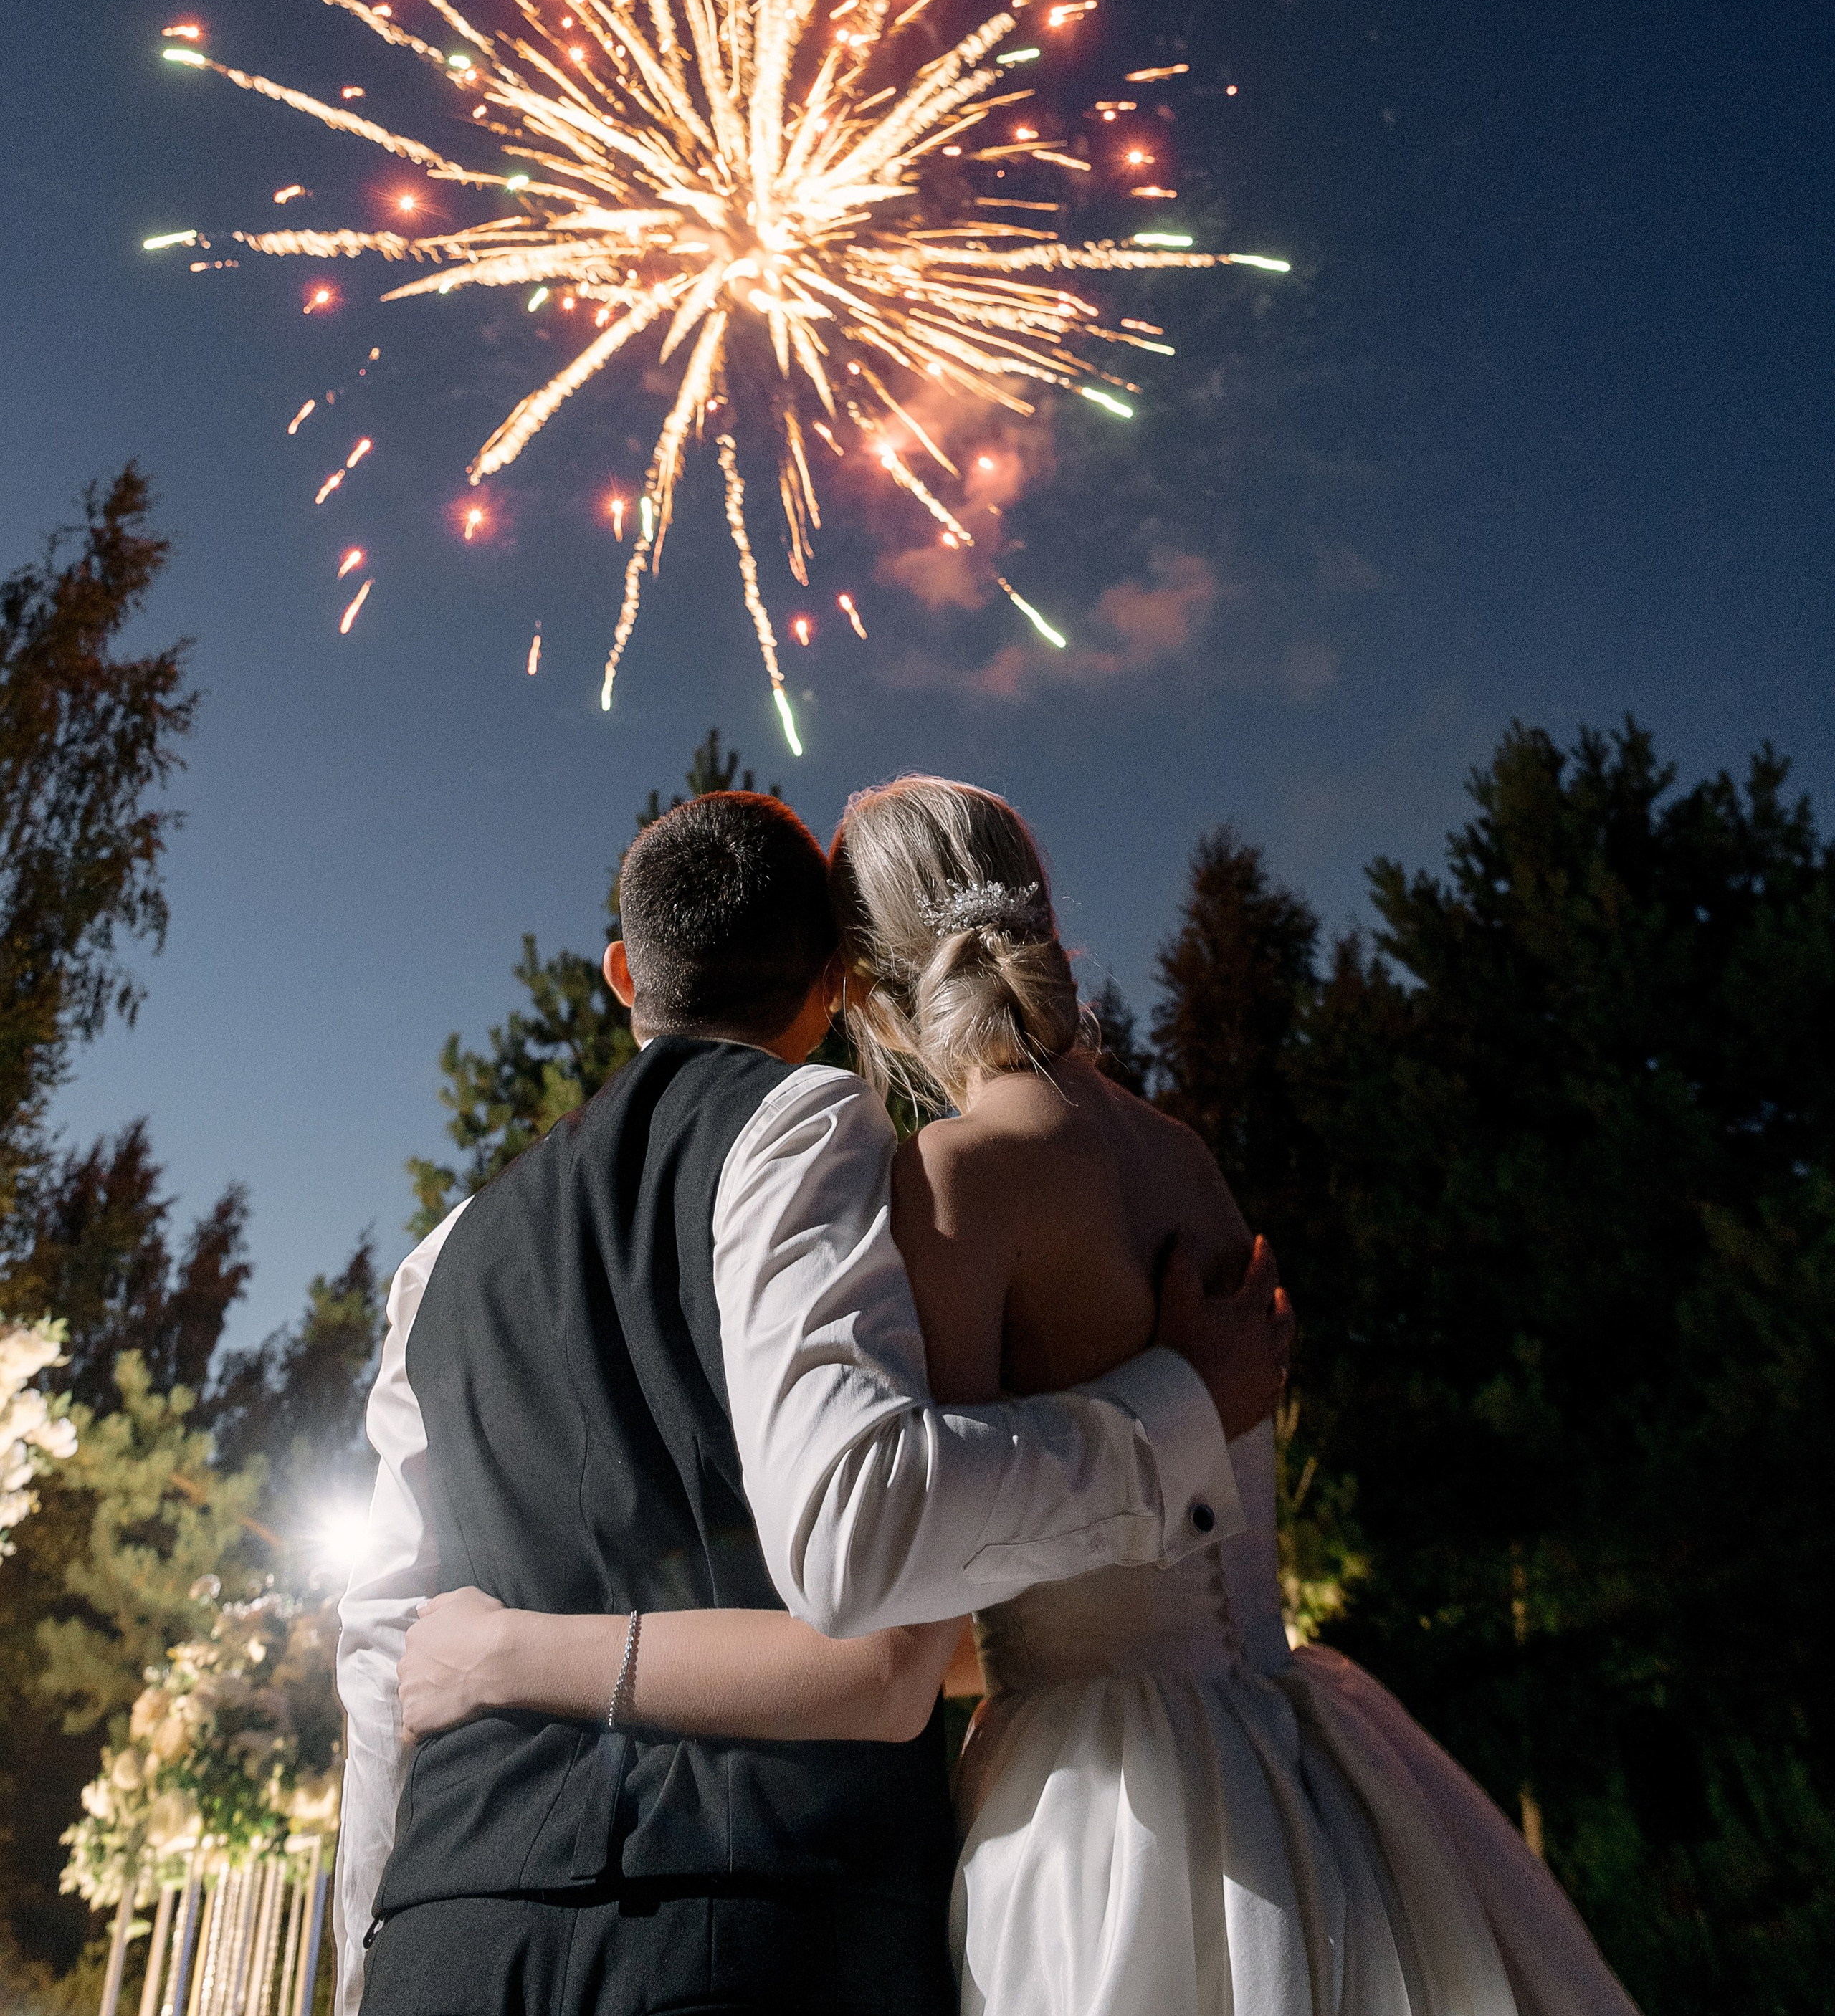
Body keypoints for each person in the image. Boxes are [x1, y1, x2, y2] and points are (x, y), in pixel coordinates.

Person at [413, 775, 1641, 2016]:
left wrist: (512, 1654)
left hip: (1107, 1802)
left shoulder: (953, 1179)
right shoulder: (1183, 1155)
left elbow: (898, 1612)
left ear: (862, 987)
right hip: (1293, 1751)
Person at [338, 788, 1293, 2016]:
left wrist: (375, 1939)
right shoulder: (806, 1130)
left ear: (626, 974)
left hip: (449, 1938)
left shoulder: (443, 1256)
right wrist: (1172, 1414)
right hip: (768, 1928)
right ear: (835, 982)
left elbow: (380, 1654)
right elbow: (874, 1568)